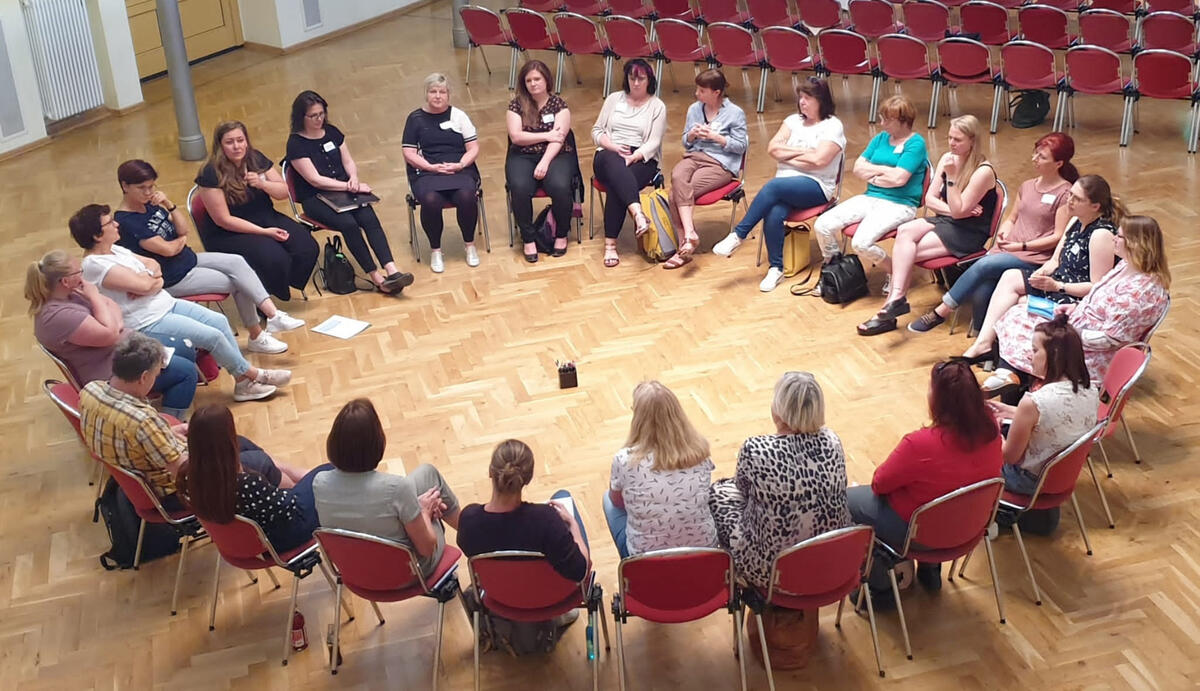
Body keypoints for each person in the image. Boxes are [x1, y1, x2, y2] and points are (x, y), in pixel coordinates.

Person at [71, 204, 291, 402]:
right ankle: (254, 375)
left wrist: (150, 281)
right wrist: (148, 282)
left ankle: (243, 383)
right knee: (212, 336)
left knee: (220, 321)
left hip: (165, 303)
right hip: (147, 321)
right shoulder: (94, 265)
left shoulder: (115, 249)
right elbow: (145, 284)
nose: (116, 224)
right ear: (97, 235)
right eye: (110, 223)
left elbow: (153, 267)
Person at [846, 360, 1002, 604]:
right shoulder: (991, 426)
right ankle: (930, 572)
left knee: (845, 500)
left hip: (918, 532)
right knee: (945, 499)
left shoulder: (919, 444)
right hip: (970, 527)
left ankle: (881, 588)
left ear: (938, 399)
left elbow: (880, 484)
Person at [115, 159, 306, 355]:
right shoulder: (126, 222)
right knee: (239, 282)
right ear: (125, 186)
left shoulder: (150, 205)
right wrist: (180, 240)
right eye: (142, 188)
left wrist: (168, 205)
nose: (148, 192)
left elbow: (183, 228)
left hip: (187, 259)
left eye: (151, 187)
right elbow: (168, 250)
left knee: (238, 262)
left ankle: (273, 316)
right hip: (172, 276)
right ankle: (257, 336)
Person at [79, 332, 285, 511]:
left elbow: (135, 437)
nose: (156, 380)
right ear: (143, 377)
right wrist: (201, 445)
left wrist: (168, 433)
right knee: (260, 462)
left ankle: (298, 483)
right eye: (156, 375)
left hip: (139, 472)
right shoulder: (143, 423)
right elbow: (186, 474)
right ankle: (289, 501)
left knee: (240, 444)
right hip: (173, 491)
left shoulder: (90, 390)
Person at [908, 134, 1077, 335]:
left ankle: (941, 312)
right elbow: (1012, 218)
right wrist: (1004, 232)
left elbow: (1058, 236)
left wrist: (1022, 246)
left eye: (1042, 157)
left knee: (985, 265)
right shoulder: (1027, 185)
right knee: (983, 289)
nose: (1034, 159)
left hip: (1034, 256)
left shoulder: (1065, 194)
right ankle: (982, 338)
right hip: (1009, 249)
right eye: (1035, 153)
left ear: (1058, 163)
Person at [990, 215, 1171, 391]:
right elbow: (1100, 298)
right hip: (1078, 327)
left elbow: (1109, 340)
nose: (1114, 239)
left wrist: (1068, 334)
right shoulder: (1126, 265)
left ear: (1135, 244)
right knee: (1018, 314)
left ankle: (1014, 383)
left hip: (1090, 354)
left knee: (1029, 334)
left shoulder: (1139, 293)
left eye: (1119, 236)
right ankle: (1013, 378)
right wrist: (1075, 308)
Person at [708, 372, 851, 589]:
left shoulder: (756, 449)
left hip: (772, 574)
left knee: (718, 493)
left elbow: (742, 490)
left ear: (778, 410)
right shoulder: (833, 441)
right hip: (829, 564)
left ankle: (735, 577)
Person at [858, 115, 997, 336]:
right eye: (950, 137)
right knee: (905, 231)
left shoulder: (983, 171)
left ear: (972, 141)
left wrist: (952, 181)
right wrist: (955, 210)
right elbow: (930, 199)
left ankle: (889, 309)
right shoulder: (947, 158)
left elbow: (960, 212)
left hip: (968, 231)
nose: (951, 143)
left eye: (958, 139)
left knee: (906, 254)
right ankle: (896, 300)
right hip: (947, 219)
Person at [962, 174, 1122, 366]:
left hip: (1072, 298)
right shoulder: (1075, 221)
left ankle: (1011, 360)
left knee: (1018, 303)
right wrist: (1042, 273)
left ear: (1095, 206)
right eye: (1070, 195)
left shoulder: (1101, 235)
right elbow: (1055, 261)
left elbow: (1097, 287)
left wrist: (1058, 286)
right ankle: (984, 344)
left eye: (1077, 199)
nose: (1070, 201)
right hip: (1057, 283)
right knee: (1010, 277)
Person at [27, 250, 197, 418]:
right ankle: (167, 424)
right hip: (111, 373)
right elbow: (110, 334)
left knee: (185, 349)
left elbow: (111, 305)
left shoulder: (71, 294)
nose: (82, 277)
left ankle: (161, 399)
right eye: (79, 272)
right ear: (65, 281)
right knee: (187, 373)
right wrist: (94, 297)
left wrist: (115, 325)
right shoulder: (58, 317)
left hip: (124, 350)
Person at [712, 78, 845, 292]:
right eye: (800, 97)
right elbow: (773, 149)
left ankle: (739, 234)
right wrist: (805, 153)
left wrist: (788, 156)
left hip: (817, 186)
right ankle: (776, 268)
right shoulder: (792, 121)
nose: (802, 102)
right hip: (786, 187)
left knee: (773, 187)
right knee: (774, 210)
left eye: (807, 98)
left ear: (821, 100)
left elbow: (820, 160)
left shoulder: (832, 126)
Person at [313, 398, 461, 577]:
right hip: (406, 574)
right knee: (434, 499)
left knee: (427, 474)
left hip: (354, 571)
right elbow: (427, 549)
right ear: (377, 442)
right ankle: (475, 538)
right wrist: (424, 512)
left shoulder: (319, 482)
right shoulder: (397, 489)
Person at [285, 91, 415, 293]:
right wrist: (348, 186)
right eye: (313, 116)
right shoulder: (295, 144)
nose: (319, 119)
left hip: (343, 189)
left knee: (369, 217)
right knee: (349, 224)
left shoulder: (332, 132)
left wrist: (353, 178)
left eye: (321, 114)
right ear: (301, 117)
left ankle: (392, 270)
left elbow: (348, 161)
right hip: (315, 197)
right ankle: (376, 277)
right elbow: (314, 180)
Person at [194, 121, 319, 302]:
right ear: (220, 146)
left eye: (240, 140)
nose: (237, 146)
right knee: (274, 258)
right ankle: (263, 300)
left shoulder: (256, 158)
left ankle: (279, 285)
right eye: (229, 142)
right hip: (229, 232)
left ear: (246, 141)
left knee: (307, 248)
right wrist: (264, 232)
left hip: (264, 216)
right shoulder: (210, 173)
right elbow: (224, 220)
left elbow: (284, 192)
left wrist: (262, 184)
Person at [177, 405, 324, 552]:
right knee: (324, 474)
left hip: (235, 541)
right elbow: (288, 505)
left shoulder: (186, 476)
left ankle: (298, 475)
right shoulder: (249, 483)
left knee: (250, 449)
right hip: (280, 537)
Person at [813, 96, 927, 280]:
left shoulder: (916, 143)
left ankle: (896, 272)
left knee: (861, 243)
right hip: (871, 197)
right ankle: (835, 268)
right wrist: (885, 172)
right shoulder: (880, 138)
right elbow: (858, 167)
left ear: (903, 121)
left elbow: (899, 179)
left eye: (887, 120)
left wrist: (873, 172)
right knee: (822, 225)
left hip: (900, 204)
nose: (882, 124)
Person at [603, 381, 718, 559]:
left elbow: (617, 502)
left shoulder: (625, 459)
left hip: (646, 563)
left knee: (608, 499)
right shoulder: (700, 450)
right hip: (704, 556)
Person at [986, 317, 1098, 496]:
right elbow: (1055, 419)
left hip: (1027, 481)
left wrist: (993, 432)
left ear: (1054, 355)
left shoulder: (1033, 402)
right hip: (1062, 476)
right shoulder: (1091, 389)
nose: (1029, 356)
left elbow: (1009, 456)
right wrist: (1012, 412)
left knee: (973, 449)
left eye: (1034, 350)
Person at [457, 439, 590, 583]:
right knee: (563, 496)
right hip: (550, 593)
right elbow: (580, 572)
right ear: (528, 479)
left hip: (500, 594)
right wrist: (573, 526)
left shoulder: (468, 520)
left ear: (490, 471)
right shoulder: (547, 520)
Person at [662, 69, 748, 270]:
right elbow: (685, 142)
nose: (697, 94)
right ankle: (690, 234)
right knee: (677, 175)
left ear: (716, 92)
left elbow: (740, 146)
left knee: (675, 194)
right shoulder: (694, 109)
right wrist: (692, 135)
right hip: (694, 156)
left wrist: (715, 137)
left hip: (720, 163)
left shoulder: (735, 113)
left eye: (702, 91)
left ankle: (684, 247)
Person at [401, 73, 482, 274]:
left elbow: (473, 148)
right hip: (427, 171)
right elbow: (409, 153)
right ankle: (436, 250)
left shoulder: (459, 116)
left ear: (448, 94)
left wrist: (460, 165)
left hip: (459, 168)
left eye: (442, 92)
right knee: (431, 200)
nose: (438, 96)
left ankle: (470, 245)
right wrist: (431, 167)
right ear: (426, 94)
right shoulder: (415, 119)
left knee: (466, 196)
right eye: (433, 91)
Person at [591, 59, 668, 268]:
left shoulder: (657, 106)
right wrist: (614, 147)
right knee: (615, 166)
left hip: (641, 157)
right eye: (632, 78)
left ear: (649, 80)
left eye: (640, 79)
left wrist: (634, 157)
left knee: (618, 184)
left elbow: (654, 142)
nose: (635, 83)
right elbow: (596, 131)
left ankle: (610, 245)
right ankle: (638, 214)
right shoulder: (614, 99)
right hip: (609, 152)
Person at [505, 60, 577, 264]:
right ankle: (528, 238)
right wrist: (546, 135)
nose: (533, 83)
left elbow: (559, 138)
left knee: (560, 186)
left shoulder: (559, 105)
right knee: (519, 187)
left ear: (546, 80)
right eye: (528, 80)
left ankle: (561, 234)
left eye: (537, 79)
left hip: (556, 154)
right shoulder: (516, 105)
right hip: (522, 154)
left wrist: (544, 162)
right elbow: (516, 137)